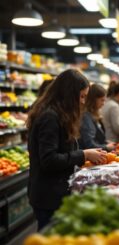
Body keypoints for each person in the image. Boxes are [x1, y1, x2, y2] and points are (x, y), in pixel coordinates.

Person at [26, 69, 107, 230]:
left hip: (56, 191)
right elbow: (49, 160)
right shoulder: (50, 117)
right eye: (82, 96)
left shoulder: (59, 114)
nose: (84, 101)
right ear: (69, 94)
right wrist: (83, 155)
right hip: (49, 195)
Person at [79, 84, 112, 151]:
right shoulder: (86, 116)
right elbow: (89, 144)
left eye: (104, 100)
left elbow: (95, 138)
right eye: (102, 100)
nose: (103, 103)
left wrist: (105, 143)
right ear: (93, 100)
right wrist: (106, 147)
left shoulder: (93, 115)